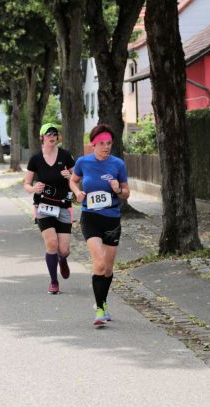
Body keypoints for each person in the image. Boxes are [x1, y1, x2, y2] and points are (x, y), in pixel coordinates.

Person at [69, 124, 130, 326]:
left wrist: (118, 190)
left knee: (108, 269)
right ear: (93, 144)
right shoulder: (83, 162)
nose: (106, 147)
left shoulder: (118, 164)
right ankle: (100, 310)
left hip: (111, 219)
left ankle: (102, 301)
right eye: (102, 143)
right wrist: (77, 193)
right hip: (90, 218)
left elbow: (126, 193)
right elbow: (73, 180)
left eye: (109, 143)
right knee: (100, 263)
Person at [24, 123, 75, 295]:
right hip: (44, 206)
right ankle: (54, 281)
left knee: (64, 249)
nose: (52, 137)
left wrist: (70, 177)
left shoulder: (65, 156)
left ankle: (62, 259)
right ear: (42, 138)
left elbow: (77, 180)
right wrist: (33, 188)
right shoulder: (35, 159)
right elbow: (26, 184)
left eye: (54, 134)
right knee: (52, 243)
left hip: (63, 206)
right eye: (48, 134)